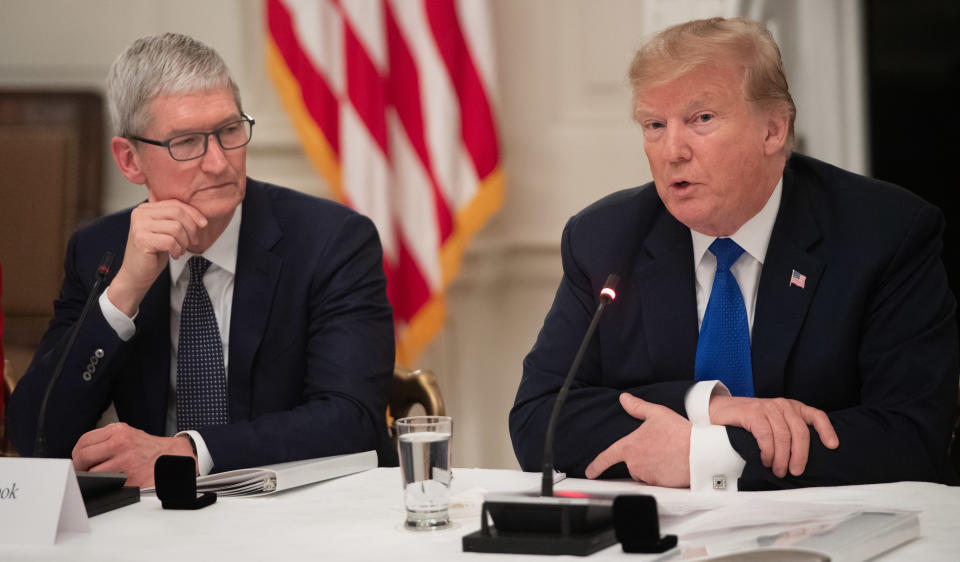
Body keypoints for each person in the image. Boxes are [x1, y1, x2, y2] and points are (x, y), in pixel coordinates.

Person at [510, 17, 959, 491]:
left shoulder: (884, 233)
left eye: (701, 119)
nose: (672, 151)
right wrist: (707, 406)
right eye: (655, 125)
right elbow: (539, 419)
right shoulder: (605, 238)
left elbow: (911, 437)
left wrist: (710, 453)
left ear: (773, 131)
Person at [7, 33, 395, 487]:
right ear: (130, 160)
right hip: (157, 524)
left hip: (301, 510)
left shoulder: (331, 241)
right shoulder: (101, 251)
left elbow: (351, 417)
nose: (218, 162)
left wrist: (188, 451)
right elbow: (35, 436)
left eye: (230, 131)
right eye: (186, 142)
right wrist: (123, 295)